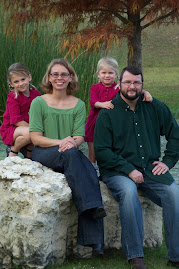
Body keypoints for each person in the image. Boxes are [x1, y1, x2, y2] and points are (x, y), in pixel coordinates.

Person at [94, 66, 179, 269]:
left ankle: (176, 255)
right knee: (129, 191)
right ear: (120, 84)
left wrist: (167, 162)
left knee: (174, 194)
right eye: (128, 82)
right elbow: (102, 151)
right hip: (117, 171)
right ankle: (135, 256)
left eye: (136, 82)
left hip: (150, 170)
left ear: (142, 84)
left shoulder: (154, 107)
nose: (132, 86)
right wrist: (128, 169)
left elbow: (175, 134)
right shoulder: (108, 113)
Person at [29, 58, 106, 256]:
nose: (59, 78)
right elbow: (36, 138)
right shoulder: (38, 102)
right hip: (44, 154)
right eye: (55, 74)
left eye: (64, 74)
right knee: (79, 161)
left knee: (88, 170)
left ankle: (95, 245)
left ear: (71, 77)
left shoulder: (78, 105)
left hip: (70, 155)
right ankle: (93, 213)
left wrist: (72, 142)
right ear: (49, 77)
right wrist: (63, 142)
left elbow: (79, 136)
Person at [85, 56, 153, 168]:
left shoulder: (118, 88)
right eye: (104, 73)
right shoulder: (95, 88)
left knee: (109, 148)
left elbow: (133, 90)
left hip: (112, 123)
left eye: (110, 73)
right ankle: (91, 169)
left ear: (116, 74)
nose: (107, 76)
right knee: (93, 150)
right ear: (98, 74)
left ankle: (106, 168)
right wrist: (103, 104)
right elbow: (93, 102)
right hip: (94, 122)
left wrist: (145, 93)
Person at [0, 62, 41, 158]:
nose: (21, 84)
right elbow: (16, 120)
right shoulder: (13, 97)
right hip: (12, 129)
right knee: (30, 133)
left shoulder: (37, 94)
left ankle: (29, 152)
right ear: (11, 84)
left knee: (40, 131)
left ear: (29, 77)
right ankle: (13, 150)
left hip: (29, 127)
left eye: (23, 79)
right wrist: (35, 129)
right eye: (16, 81)